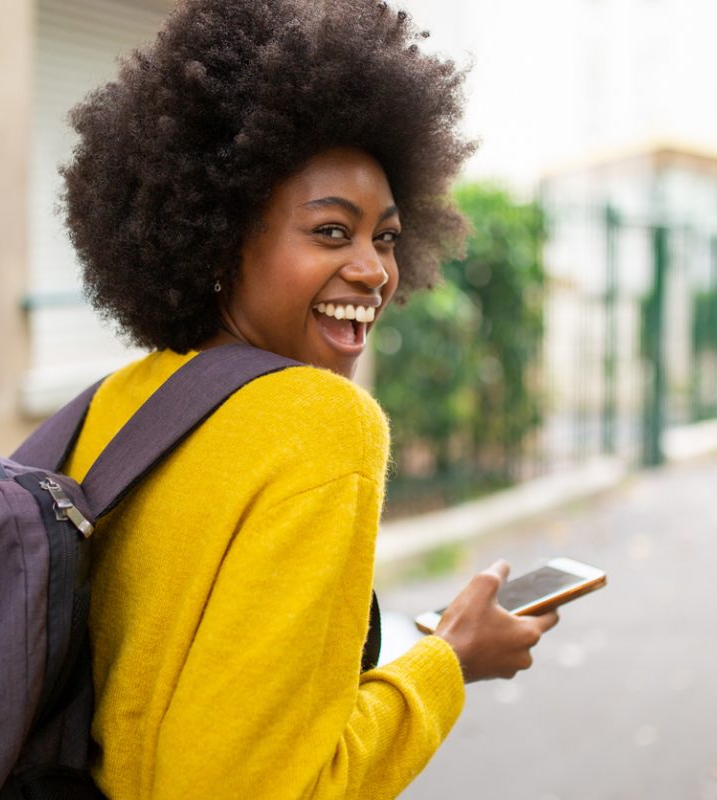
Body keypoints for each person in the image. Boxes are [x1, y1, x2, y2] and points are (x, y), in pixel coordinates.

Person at [61, 1, 558, 797]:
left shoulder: (120, 401)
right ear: (222, 238)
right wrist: (451, 664)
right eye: (331, 232)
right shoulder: (322, 426)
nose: (373, 271)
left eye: (386, 236)